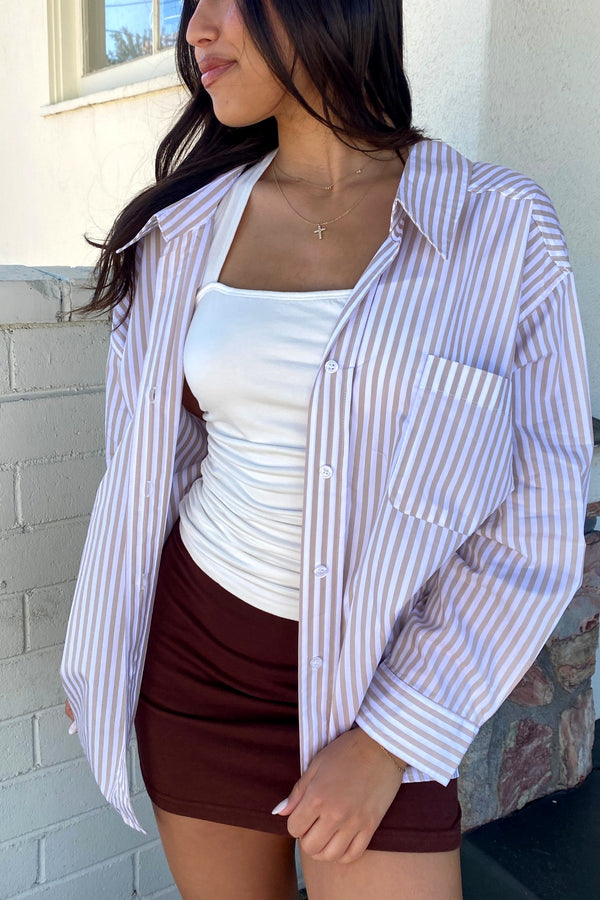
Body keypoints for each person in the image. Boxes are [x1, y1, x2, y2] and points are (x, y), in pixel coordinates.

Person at [61, 1, 592, 898]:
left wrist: (390, 741)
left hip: (385, 679)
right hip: (198, 669)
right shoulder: (182, 234)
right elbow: (146, 474)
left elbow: (534, 522)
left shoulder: (499, 230)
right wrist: (102, 639)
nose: (195, 28)